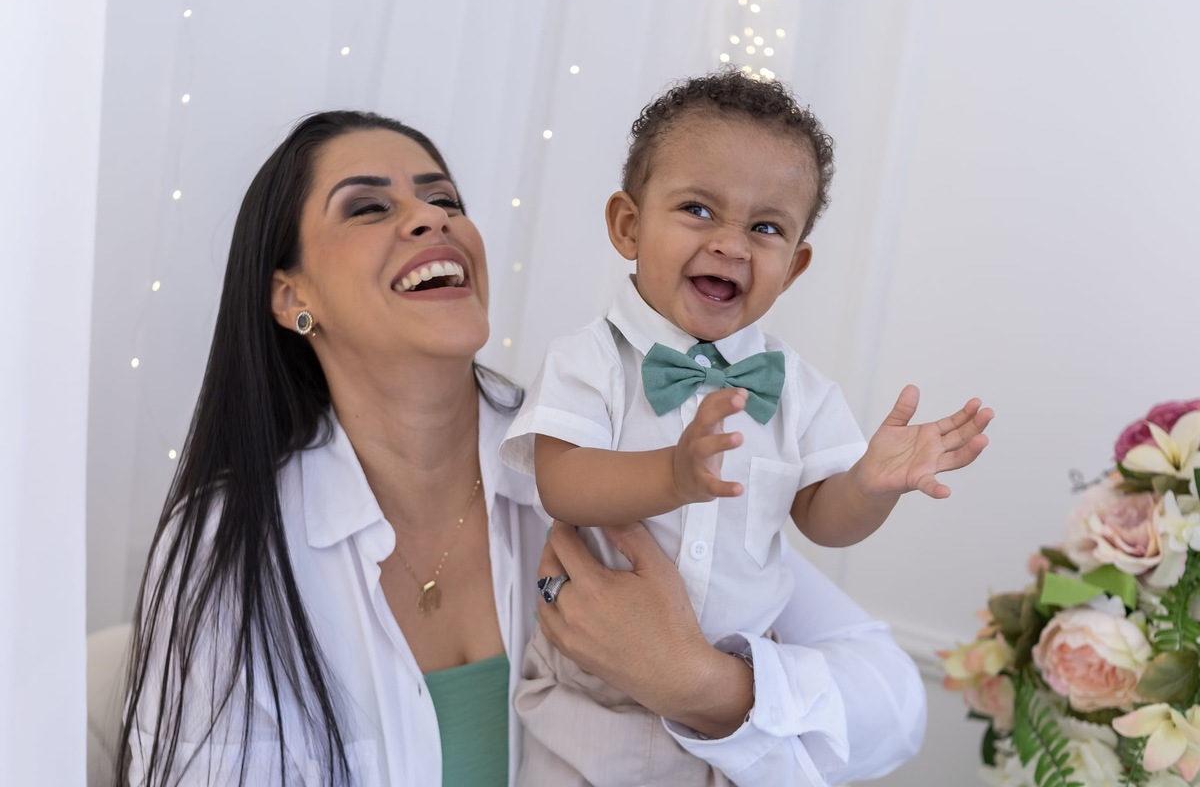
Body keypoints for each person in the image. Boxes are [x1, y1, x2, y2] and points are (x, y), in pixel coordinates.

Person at [117, 108, 926, 787]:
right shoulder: (234, 538)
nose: (431, 216)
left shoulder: (612, 447)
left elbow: (895, 705)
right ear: (293, 296)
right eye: (367, 207)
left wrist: (697, 683)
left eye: (444, 198)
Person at [502, 71, 990, 785]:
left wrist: (872, 485)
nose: (732, 244)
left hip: (732, 710)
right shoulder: (591, 359)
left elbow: (822, 520)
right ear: (629, 225)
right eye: (699, 209)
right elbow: (562, 481)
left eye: (766, 227)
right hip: (590, 701)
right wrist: (669, 474)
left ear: (793, 267)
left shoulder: (798, 389)